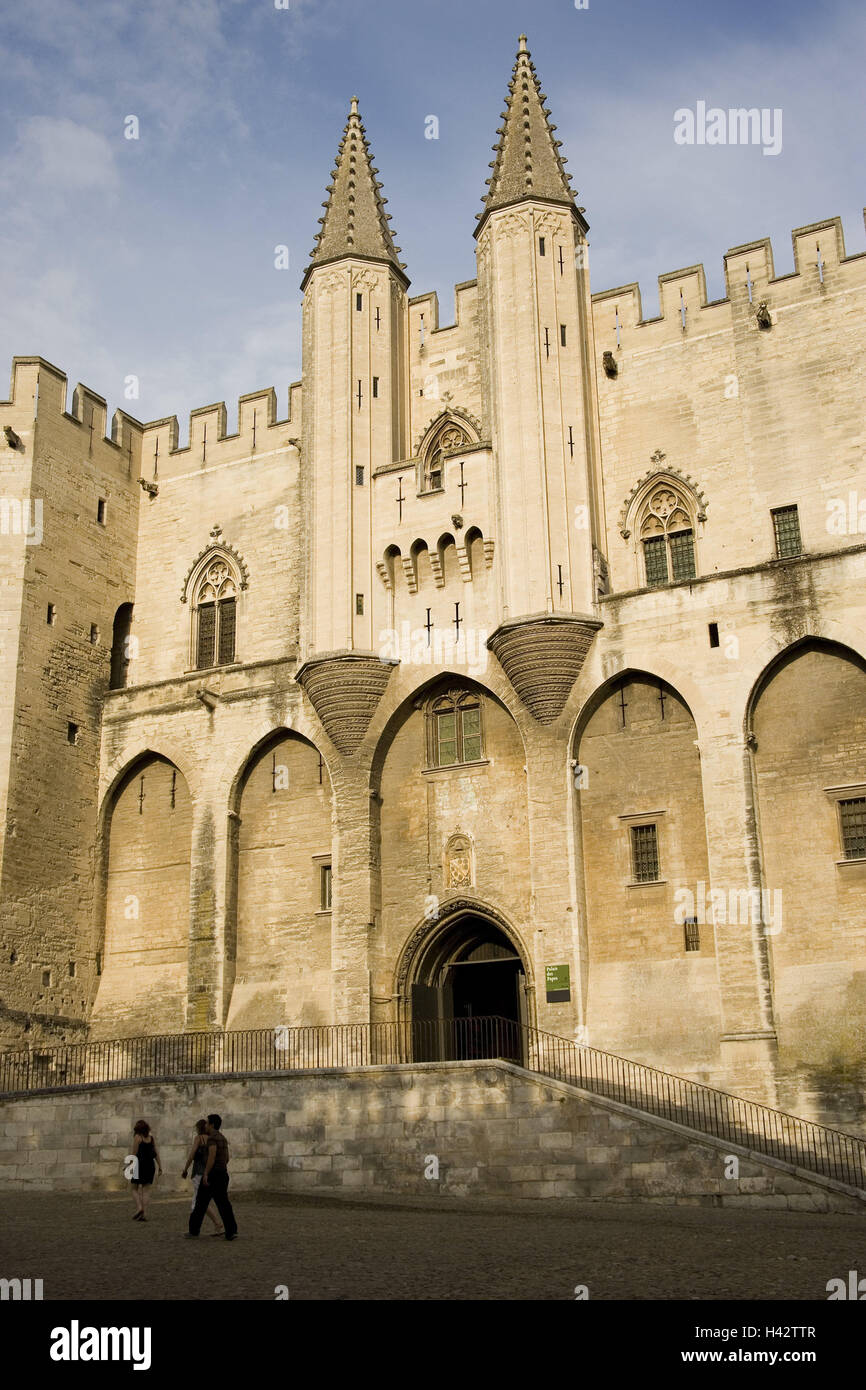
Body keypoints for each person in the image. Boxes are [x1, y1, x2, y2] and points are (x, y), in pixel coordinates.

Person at [187, 1113, 237, 1240]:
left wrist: (206, 1173)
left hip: (213, 1175)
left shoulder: (212, 1139)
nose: (206, 1125)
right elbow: (227, 1158)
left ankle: (193, 1231)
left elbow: (211, 1157)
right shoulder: (222, 1138)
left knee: (201, 1203)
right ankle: (231, 1231)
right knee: (223, 1203)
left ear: (212, 1125)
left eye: (208, 1123)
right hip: (222, 1173)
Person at [181, 1119, 223, 1235]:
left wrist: (185, 1169)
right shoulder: (212, 1139)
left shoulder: (199, 1139)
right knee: (202, 1200)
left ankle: (210, 1225)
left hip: (199, 1172)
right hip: (209, 1172)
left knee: (198, 1201)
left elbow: (191, 1155)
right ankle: (214, 1225)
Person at [131, 1119, 161, 1221]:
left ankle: (139, 1208)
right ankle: (144, 1214)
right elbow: (155, 1153)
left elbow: (134, 1154)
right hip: (150, 1165)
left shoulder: (137, 1137)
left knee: (134, 1188)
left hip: (139, 1165)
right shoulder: (151, 1138)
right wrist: (160, 1166)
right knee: (146, 1190)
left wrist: (129, 1165)